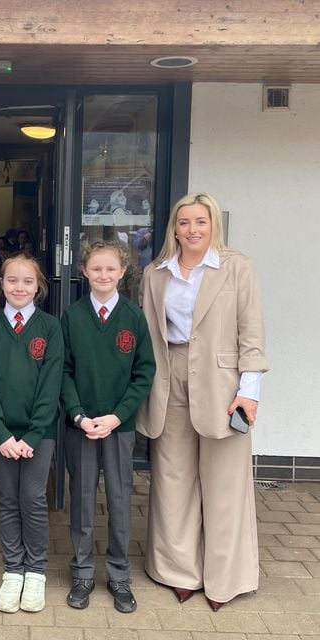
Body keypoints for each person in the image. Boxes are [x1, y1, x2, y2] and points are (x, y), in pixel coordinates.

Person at [136, 193, 268, 610]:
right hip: (169, 377)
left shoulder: (236, 267)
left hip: (223, 383)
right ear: (174, 228)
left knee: (224, 485)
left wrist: (249, 391)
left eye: (201, 221)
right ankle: (178, 570)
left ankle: (226, 577)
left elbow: (252, 331)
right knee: (173, 479)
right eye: (184, 222)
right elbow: (148, 336)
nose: (192, 229)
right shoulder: (155, 274)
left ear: (213, 225)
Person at [61, 240, 155, 613]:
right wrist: (79, 415)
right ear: (84, 270)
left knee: (119, 500)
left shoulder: (133, 317)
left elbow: (144, 372)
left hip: (120, 425)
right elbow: (63, 372)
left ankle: (119, 575)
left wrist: (119, 415)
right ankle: (83, 572)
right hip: (81, 425)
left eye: (110, 269)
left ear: (122, 272)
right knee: (82, 500)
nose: (103, 275)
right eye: (96, 269)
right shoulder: (72, 316)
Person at [0, 255, 64, 614]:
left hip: (39, 434)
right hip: (1, 435)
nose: (20, 287)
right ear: (2, 284)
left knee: (32, 497)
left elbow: (51, 384)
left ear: (38, 286)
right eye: (12, 280)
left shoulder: (50, 328)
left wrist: (34, 434)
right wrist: (0, 433)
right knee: (8, 497)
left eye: (27, 281)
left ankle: (36, 571)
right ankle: (13, 570)